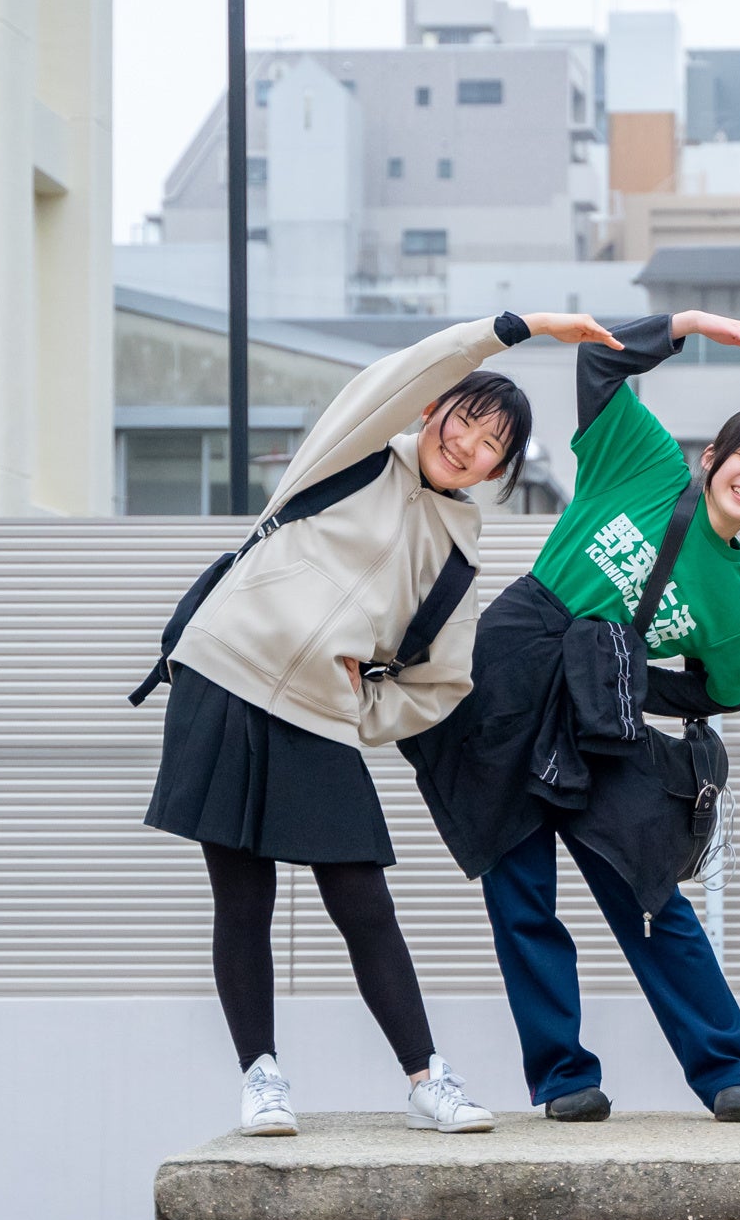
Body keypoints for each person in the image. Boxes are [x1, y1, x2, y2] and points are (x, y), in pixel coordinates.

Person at [142, 309, 625, 1137]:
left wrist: (365, 705)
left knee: (363, 899)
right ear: (434, 409)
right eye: (465, 421)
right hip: (223, 674)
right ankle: (262, 1079)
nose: (468, 447)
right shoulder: (355, 450)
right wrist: (518, 328)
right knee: (243, 898)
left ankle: (427, 1080)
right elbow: (408, 369)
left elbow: (443, 681)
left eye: (492, 447)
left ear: (500, 471)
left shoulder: (457, 549)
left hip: (319, 714)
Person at [403, 310, 740, 1122]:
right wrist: (687, 324)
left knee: (648, 888)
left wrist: (626, 680)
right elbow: (599, 367)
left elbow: (724, 692)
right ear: (713, 457)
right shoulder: (646, 464)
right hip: (513, 668)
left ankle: (727, 1069)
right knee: (521, 896)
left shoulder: (737, 604)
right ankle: (563, 1078)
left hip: (599, 716)